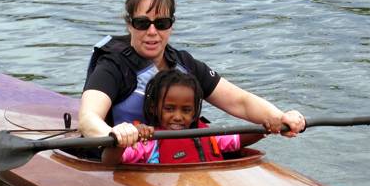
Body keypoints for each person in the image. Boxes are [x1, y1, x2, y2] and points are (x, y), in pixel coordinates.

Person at [79, 0, 305, 154]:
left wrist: (280, 117)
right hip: (121, 158)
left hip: (178, 157)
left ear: (171, 26)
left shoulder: (184, 65)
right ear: (129, 24)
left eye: (161, 23)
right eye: (142, 23)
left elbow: (240, 102)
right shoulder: (112, 67)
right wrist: (115, 134)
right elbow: (88, 119)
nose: (152, 32)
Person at [102, 70, 265, 165]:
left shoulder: (208, 136)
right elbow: (110, 160)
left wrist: (266, 128)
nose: (178, 117)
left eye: (186, 110)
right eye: (169, 109)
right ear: (154, 108)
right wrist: (124, 138)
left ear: (195, 112)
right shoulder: (148, 141)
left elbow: (237, 140)